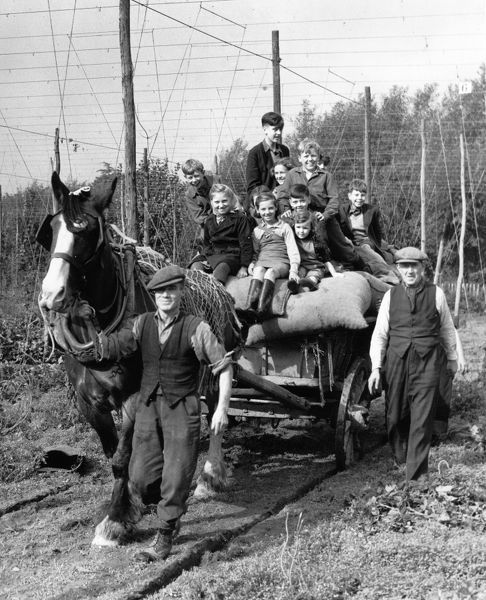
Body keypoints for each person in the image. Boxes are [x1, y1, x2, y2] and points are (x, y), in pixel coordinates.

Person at [88, 265, 234, 562]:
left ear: (181, 292)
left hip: (182, 408)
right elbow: (113, 347)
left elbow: (224, 367)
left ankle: (165, 534)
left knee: (176, 473)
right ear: (153, 295)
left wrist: (221, 409)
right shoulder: (142, 324)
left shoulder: (197, 328)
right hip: (148, 409)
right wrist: (83, 338)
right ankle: (166, 509)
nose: (166, 295)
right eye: (160, 291)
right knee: (139, 476)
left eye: (172, 289)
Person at [368, 247, 458, 483]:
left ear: (422, 268)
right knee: (395, 414)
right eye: (404, 266)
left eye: (414, 266)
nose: (409, 270)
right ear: (398, 269)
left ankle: (417, 476)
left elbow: (447, 329)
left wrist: (452, 358)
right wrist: (376, 367)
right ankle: (401, 455)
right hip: (397, 360)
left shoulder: (436, 294)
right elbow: (380, 335)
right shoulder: (390, 296)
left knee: (423, 416)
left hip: (427, 361)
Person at [277, 141, 366, 271]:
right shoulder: (292, 174)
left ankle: (360, 264)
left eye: (313, 156)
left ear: (318, 157)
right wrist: (286, 210)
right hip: (299, 215)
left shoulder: (326, 176)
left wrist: (325, 215)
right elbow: (283, 195)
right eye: (306, 156)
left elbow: (334, 200)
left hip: (321, 215)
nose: (310, 159)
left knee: (340, 244)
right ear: (300, 158)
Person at [244, 191, 300, 316]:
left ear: (275, 208)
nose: (267, 212)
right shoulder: (257, 231)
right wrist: (253, 262)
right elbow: (256, 252)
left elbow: (292, 250)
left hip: (280, 262)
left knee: (270, 272)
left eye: (270, 208)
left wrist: (294, 270)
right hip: (263, 260)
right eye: (263, 209)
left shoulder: (284, 227)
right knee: (258, 271)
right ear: (258, 210)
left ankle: (262, 310)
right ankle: (250, 309)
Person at [339, 179, 400, 285]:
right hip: (351, 241)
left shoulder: (372, 210)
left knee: (368, 251)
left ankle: (388, 274)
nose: (359, 198)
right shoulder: (342, 210)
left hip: (366, 240)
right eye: (356, 195)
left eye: (362, 195)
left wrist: (377, 245)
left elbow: (377, 231)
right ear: (349, 196)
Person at [199, 184, 252, 284]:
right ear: (211, 202)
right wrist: (207, 256)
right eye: (217, 202)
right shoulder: (209, 220)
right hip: (213, 253)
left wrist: (244, 267)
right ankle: (197, 292)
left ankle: (216, 294)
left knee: (221, 268)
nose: (221, 205)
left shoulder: (240, 218)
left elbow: (246, 244)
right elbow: (206, 243)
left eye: (224, 201)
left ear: (231, 200)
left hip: (231, 255)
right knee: (196, 265)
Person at [288, 210, 343, 293]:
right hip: (302, 265)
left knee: (314, 275)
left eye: (305, 228)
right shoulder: (293, 239)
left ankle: (311, 283)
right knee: (299, 273)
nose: (301, 231)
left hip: (316, 266)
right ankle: (295, 285)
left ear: (311, 228)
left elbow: (326, 260)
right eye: (298, 227)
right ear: (294, 226)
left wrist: (334, 273)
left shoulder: (316, 241)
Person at [246, 112, 290, 206]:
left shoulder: (284, 150)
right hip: (264, 204)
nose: (279, 133)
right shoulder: (255, 153)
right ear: (265, 129)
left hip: (283, 201)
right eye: (275, 129)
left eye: (280, 129)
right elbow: (253, 186)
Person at [181, 159, 221, 233]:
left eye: (196, 176)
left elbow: (232, 198)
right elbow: (199, 217)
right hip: (210, 225)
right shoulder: (189, 195)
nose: (194, 180)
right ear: (185, 177)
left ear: (203, 173)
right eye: (190, 177)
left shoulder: (216, 180)